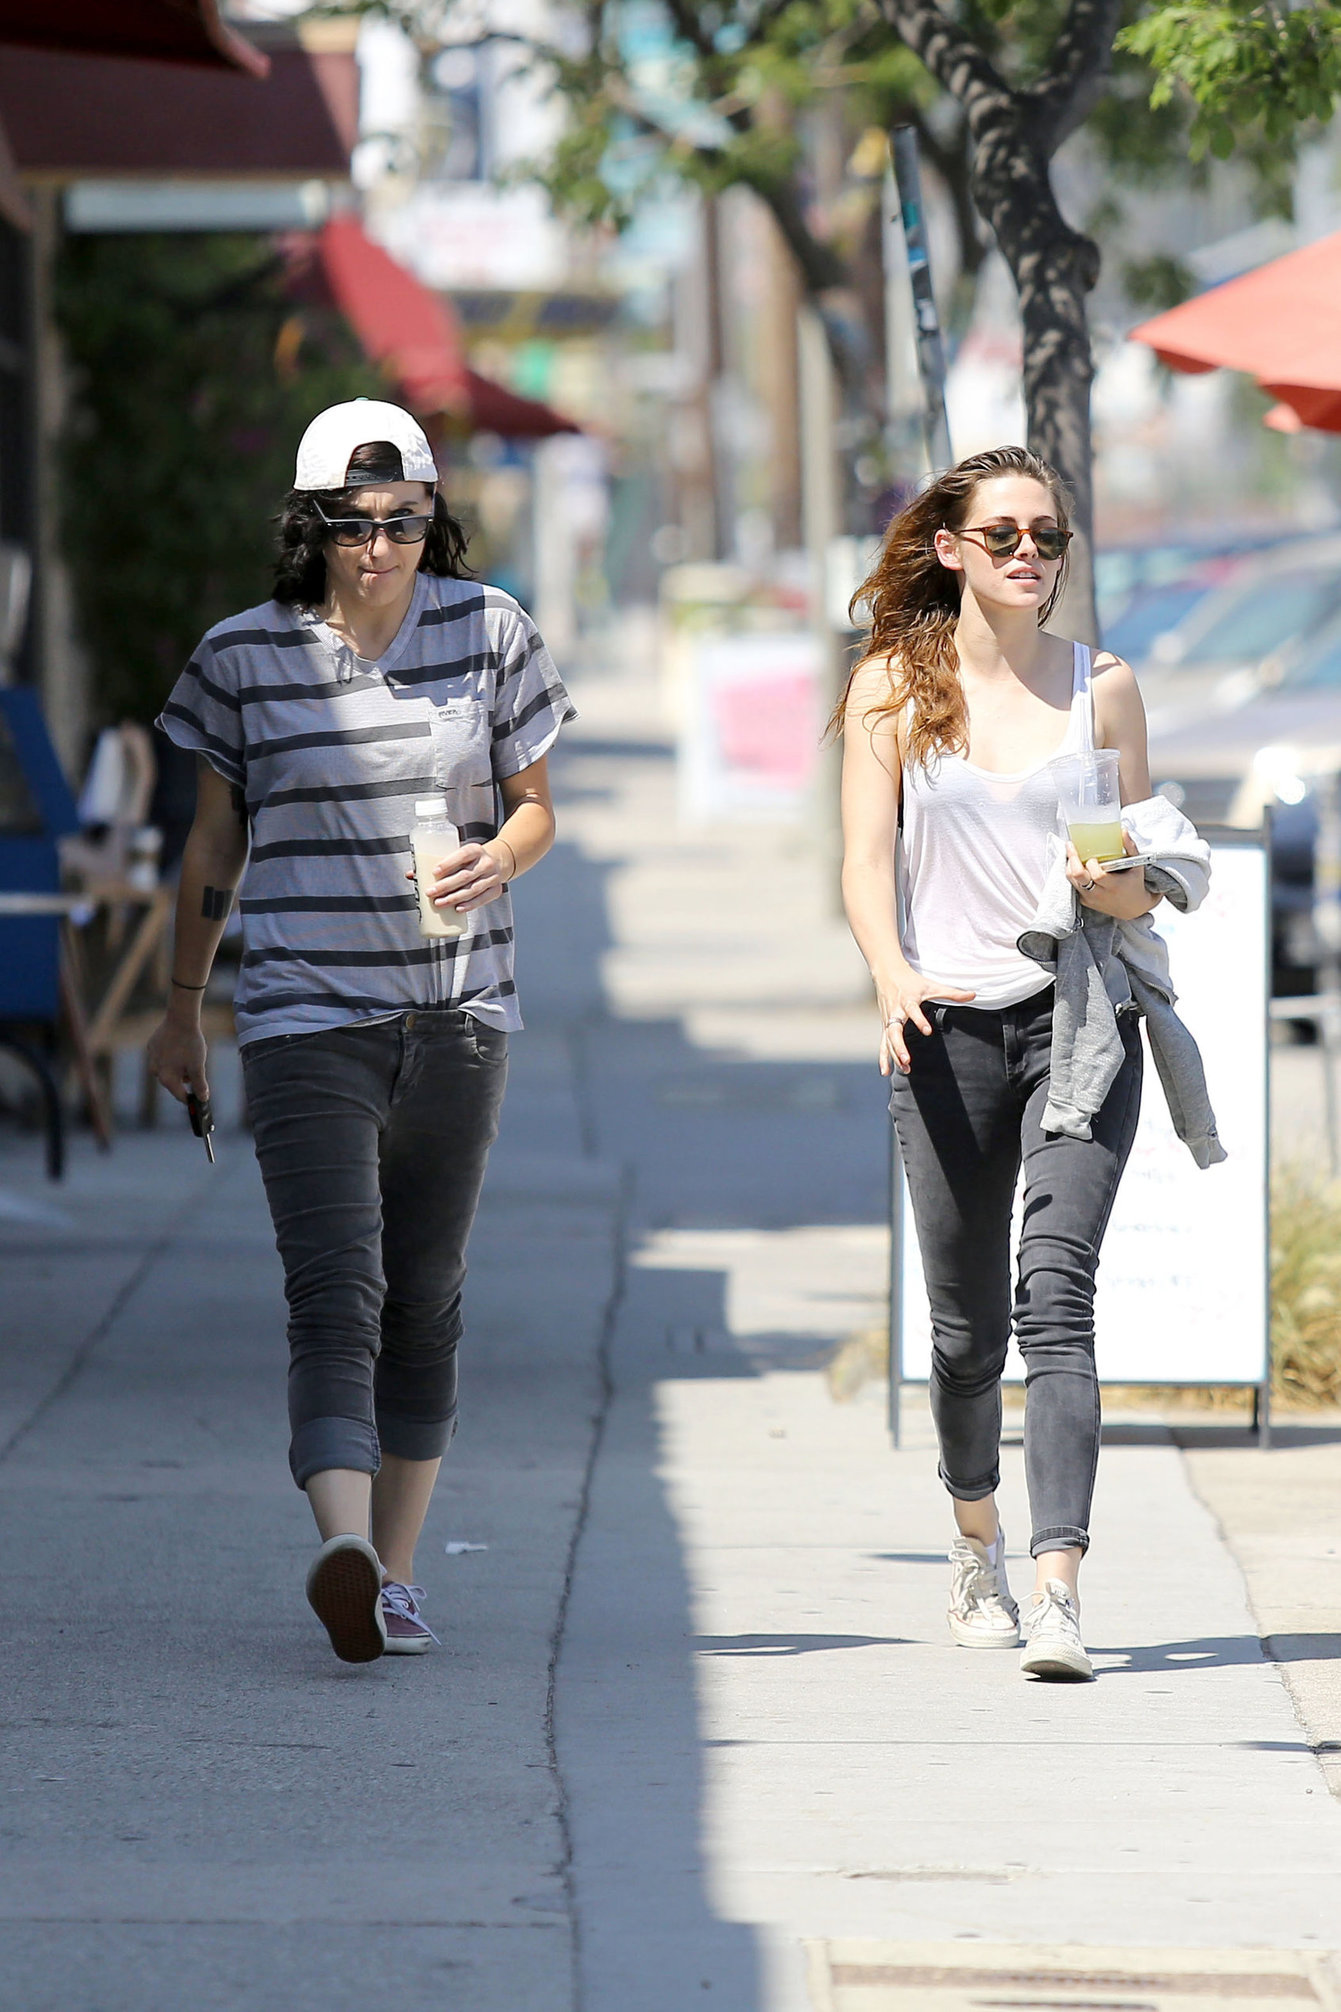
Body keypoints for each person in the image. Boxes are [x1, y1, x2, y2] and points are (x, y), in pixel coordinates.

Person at [147, 399, 575, 1663]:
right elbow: (214, 845)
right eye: (352, 523)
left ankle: (396, 1570)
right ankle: (344, 1548)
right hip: (302, 1015)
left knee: (425, 1296)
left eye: (402, 520)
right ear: (312, 526)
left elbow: (537, 805)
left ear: (433, 517)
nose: (379, 545)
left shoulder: (493, 630)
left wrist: (502, 855)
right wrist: (182, 1007)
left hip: (458, 1013)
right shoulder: (244, 656)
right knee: (336, 1289)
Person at [838, 444, 1165, 1682]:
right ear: (952, 548)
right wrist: (891, 972)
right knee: (968, 1328)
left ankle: (1059, 1586)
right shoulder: (892, 686)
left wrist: (1117, 882)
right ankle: (975, 1539)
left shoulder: (1104, 689)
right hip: (945, 1027)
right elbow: (865, 860)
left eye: (1049, 537)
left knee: (1056, 1295)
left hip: (1081, 1021)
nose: (1032, 553)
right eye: (1006, 535)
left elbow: (1139, 876)